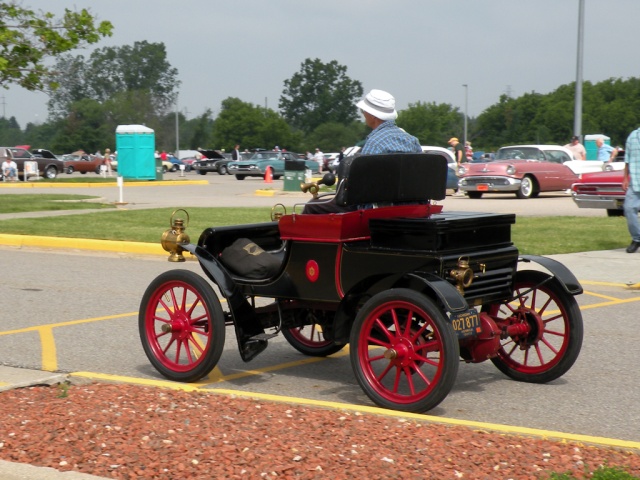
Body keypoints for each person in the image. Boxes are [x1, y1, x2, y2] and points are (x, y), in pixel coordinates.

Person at [303, 89, 421, 214]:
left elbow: (361, 185)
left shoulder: (375, 143)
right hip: (412, 207)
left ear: (373, 115)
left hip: (376, 208)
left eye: (364, 110)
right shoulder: (412, 140)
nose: (363, 113)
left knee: (313, 206)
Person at [622, 127, 640, 253]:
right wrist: (625, 178)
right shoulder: (633, 136)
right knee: (628, 208)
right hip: (635, 181)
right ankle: (637, 238)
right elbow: (627, 159)